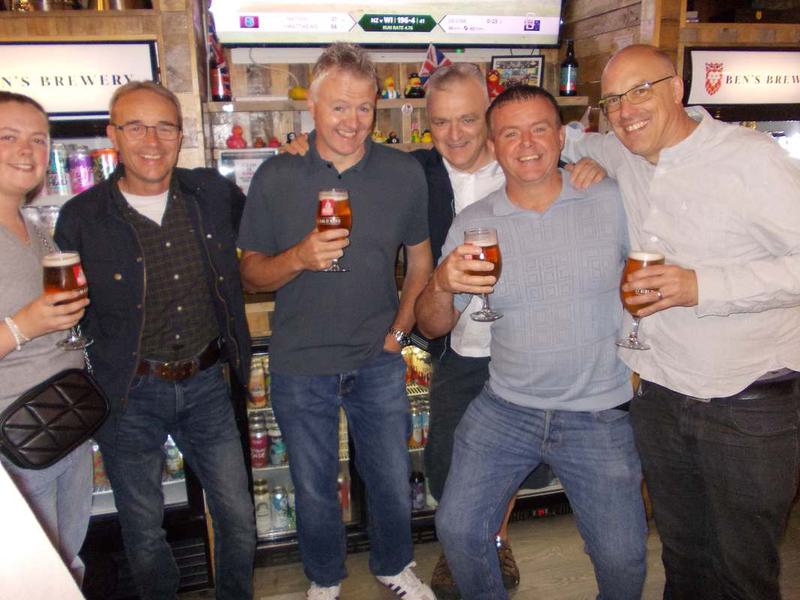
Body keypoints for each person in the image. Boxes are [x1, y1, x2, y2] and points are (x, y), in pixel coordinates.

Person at [563, 44, 800, 600]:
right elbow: (562, 137)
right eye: (613, 100)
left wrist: (702, 286)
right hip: (660, 395)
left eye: (640, 91)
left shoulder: (750, 158)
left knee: (743, 573)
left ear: (676, 90)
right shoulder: (622, 151)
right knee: (683, 559)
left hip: (747, 403)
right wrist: (576, 158)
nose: (625, 111)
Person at [415, 85, 647, 600]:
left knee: (622, 558)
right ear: (493, 146)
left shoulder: (612, 200)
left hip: (597, 412)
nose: (526, 144)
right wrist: (441, 284)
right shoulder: (474, 224)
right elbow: (432, 327)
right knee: (458, 529)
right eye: (510, 134)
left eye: (539, 129)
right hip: (506, 407)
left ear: (561, 137)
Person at [238, 42, 435, 600]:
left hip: (378, 359)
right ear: (313, 107)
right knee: (314, 486)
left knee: (391, 478)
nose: (352, 121)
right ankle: (324, 577)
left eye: (364, 107)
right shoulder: (277, 174)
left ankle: (394, 565)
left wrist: (398, 335)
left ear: (377, 106)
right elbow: (251, 272)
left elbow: (420, 262)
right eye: (339, 106)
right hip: (300, 363)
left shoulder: (402, 173)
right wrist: (299, 258)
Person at [55, 81, 256, 600]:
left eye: (165, 127)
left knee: (238, 518)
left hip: (207, 383)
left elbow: (268, 224)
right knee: (144, 532)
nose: (152, 140)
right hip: (130, 393)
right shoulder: (81, 217)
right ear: (113, 136)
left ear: (180, 135)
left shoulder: (211, 193)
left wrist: (299, 159)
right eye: (136, 127)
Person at [0, 91, 92, 587]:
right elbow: (29, 321)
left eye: (38, 139)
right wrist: (24, 325)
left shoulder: (30, 225)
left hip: (61, 420)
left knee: (67, 562)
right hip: (14, 437)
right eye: (8, 137)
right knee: (33, 579)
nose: (26, 150)